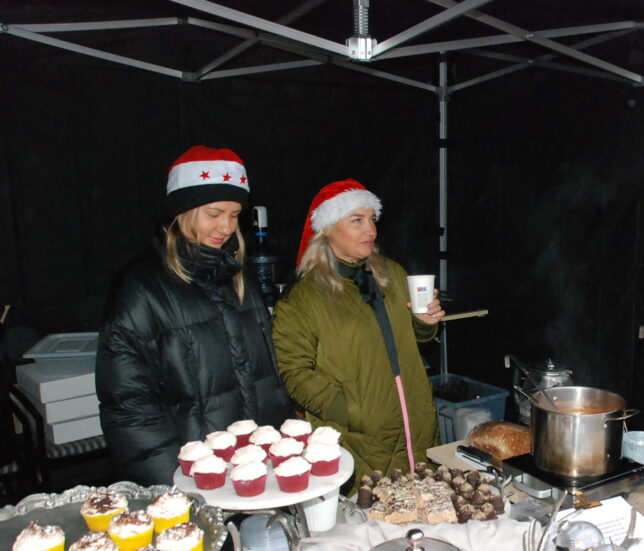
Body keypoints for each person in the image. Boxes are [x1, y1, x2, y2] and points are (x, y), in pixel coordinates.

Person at [96, 145, 292, 485]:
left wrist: (281, 450)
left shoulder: (239, 278)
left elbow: (266, 381)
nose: (226, 227)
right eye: (214, 214)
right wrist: (177, 485)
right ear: (182, 212)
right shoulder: (142, 289)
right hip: (192, 478)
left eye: (234, 215)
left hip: (254, 472)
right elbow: (129, 407)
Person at [272, 180, 443, 488]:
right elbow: (293, 372)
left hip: (417, 426)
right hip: (358, 440)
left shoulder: (392, 274)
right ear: (327, 229)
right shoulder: (303, 297)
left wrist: (424, 323)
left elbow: (418, 341)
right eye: (357, 220)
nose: (371, 230)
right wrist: (350, 410)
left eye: (372, 219)